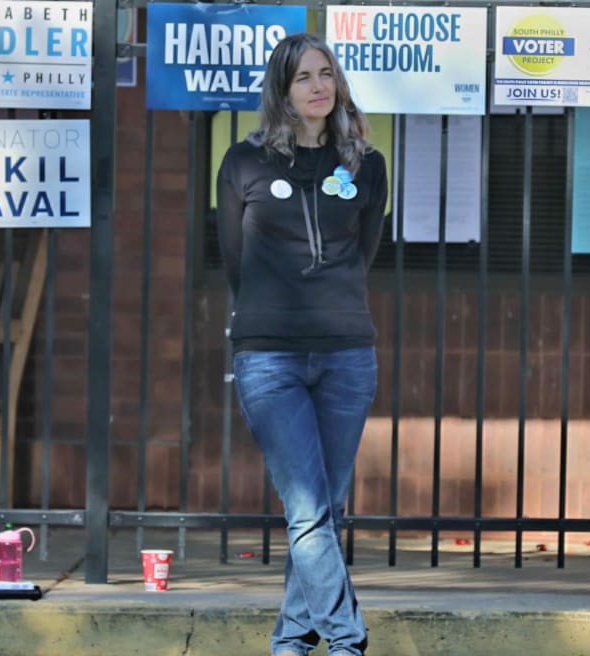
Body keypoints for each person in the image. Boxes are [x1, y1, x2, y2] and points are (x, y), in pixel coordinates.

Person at [215, 32, 388, 656]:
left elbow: (363, 253)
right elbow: (235, 260)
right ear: (281, 92)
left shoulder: (366, 164)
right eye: (302, 78)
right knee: (308, 506)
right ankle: (347, 638)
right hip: (269, 356)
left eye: (325, 74)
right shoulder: (245, 161)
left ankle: (291, 639)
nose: (319, 86)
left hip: (346, 351)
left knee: (321, 511)